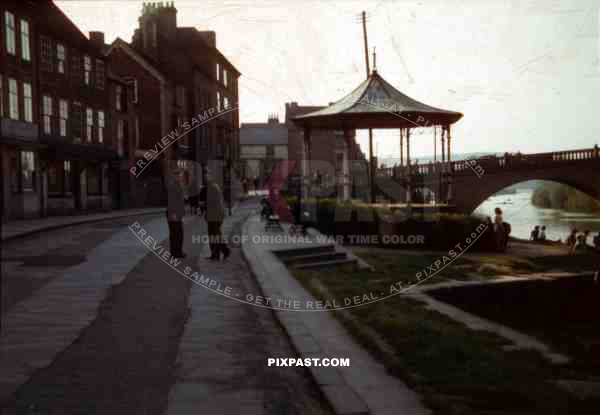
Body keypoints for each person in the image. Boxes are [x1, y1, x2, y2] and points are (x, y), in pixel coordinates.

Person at [200, 175, 230, 261]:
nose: (204, 180)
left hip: (215, 215)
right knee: (215, 234)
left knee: (214, 234)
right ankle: (216, 254)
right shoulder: (214, 186)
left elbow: (212, 201)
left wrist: (203, 204)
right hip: (215, 214)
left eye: (206, 178)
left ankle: (223, 252)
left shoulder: (212, 187)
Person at [166, 169, 186, 259]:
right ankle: (176, 252)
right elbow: (171, 201)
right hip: (173, 214)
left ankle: (176, 252)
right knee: (176, 234)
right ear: (175, 176)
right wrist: (173, 214)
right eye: (178, 175)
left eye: (180, 175)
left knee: (177, 233)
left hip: (177, 213)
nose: (180, 177)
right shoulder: (173, 186)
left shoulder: (178, 185)